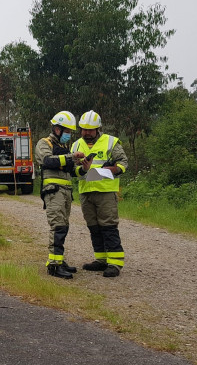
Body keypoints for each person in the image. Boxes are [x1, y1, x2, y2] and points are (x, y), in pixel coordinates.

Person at [71, 110, 128, 278]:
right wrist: (81, 168)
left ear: (98, 129)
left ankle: (115, 263)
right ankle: (101, 260)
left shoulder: (110, 142)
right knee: (94, 227)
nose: (87, 133)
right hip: (86, 192)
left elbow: (123, 162)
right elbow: (73, 170)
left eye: (90, 130)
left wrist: (115, 168)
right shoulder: (75, 145)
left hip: (105, 191)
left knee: (108, 226)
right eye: (84, 130)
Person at [34, 111, 85, 279]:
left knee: (64, 226)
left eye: (70, 132)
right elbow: (48, 161)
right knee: (58, 227)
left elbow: (73, 171)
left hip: (66, 193)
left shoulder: (64, 148)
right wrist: (71, 157)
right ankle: (54, 266)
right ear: (57, 129)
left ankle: (59, 260)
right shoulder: (44, 143)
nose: (69, 135)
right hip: (53, 192)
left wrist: (84, 167)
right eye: (67, 131)